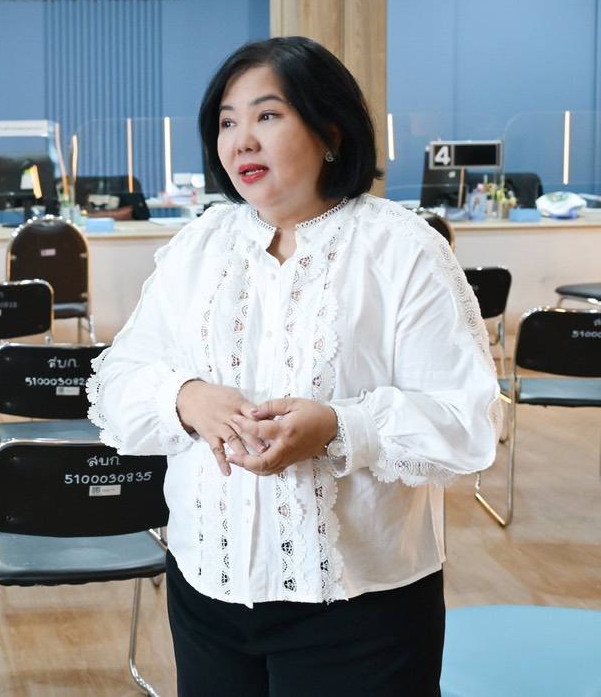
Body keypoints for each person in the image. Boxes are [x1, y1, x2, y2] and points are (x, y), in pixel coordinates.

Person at [87, 36, 499, 696]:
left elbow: (466, 421)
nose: (241, 140)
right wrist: (186, 398)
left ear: (330, 132)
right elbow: (116, 379)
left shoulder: (401, 248)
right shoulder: (200, 244)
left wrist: (338, 427)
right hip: (208, 588)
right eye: (227, 122)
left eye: (267, 115)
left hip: (361, 607)